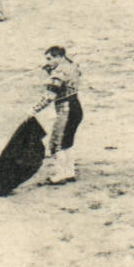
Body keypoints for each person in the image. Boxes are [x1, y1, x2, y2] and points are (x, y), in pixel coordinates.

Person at [33, 46, 83, 185]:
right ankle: (69, 172)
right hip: (76, 108)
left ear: (59, 57)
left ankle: (59, 175)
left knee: (57, 143)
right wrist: (50, 69)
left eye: (49, 59)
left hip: (65, 110)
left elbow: (50, 96)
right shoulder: (72, 66)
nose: (47, 61)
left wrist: (34, 110)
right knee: (68, 142)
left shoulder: (59, 72)